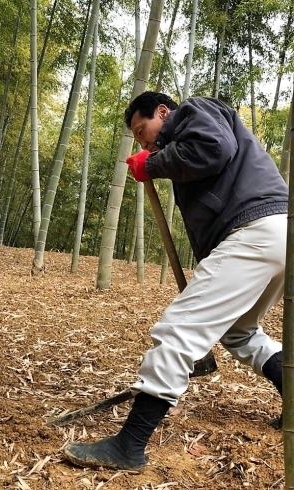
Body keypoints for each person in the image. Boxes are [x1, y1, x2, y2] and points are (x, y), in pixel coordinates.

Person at [62, 91, 288, 471]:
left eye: (142, 129)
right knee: (240, 333)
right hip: (277, 232)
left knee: (178, 330)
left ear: (162, 111)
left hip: (257, 228)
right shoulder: (184, 134)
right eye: (137, 139)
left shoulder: (193, 110)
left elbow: (214, 148)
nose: (143, 140)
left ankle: (129, 446)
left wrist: (152, 163)